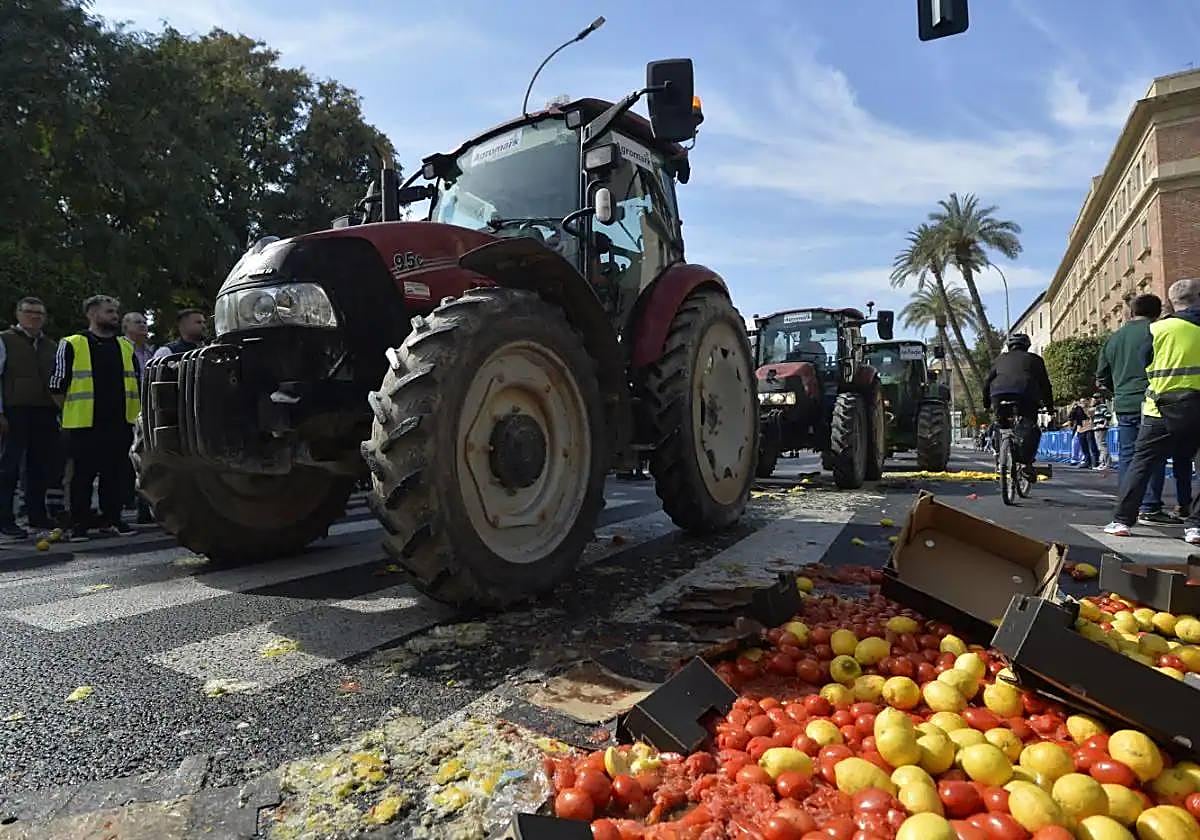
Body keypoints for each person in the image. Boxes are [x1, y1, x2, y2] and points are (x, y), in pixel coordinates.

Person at [1104, 278, 1200, 544]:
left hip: (1159, 407)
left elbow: (1144, 359)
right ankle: (1195, 526)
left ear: (1171, 302)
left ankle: (1122, 520)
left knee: (1141, 463)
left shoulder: (1157, 329)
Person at [50, 295, 140, 541]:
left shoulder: (125, 346)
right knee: (82, 476)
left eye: (115, 312)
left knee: (115, 473)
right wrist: (69, 413)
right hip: (83, 424)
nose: (115, 316)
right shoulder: (72, 343)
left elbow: (137, 382)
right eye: (109, 311)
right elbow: (57, 385)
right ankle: (79, 523)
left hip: (120, 422)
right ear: (91, 313)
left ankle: (111, 518)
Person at [0, 297, 61, 539]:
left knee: (39, 466)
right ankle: (5, 519)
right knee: (8, 466)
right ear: (18, 314)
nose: (35, 317)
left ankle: (37, 515)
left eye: (40, 313)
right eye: (30, 312)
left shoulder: (50, 345)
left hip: (44, 410)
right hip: (15, 409)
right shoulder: (5, 340)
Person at [982, 333, 1054, 475]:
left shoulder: (999, 360)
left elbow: (986, 383)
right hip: (1026, 395)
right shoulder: (1035, 360)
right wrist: (1050, 407)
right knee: (1031, 428)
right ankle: (1027, 463)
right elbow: (1045, 385)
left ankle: (999, 453)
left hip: (998, 395)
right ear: (1027, 346)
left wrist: (986, 404)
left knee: (1001, 425)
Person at [1091, 394, 1112, 470]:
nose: (1093, 400)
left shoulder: (1101, 406)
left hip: (1100, 429)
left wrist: (1104, 425)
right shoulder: (1098, 407)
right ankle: (1103, 463)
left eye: (1095, 398)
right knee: (1101, 446)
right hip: (1098, 428)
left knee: (1102, 446)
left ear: (1099, 399)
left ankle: (1106, 464)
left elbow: (1108, 415)